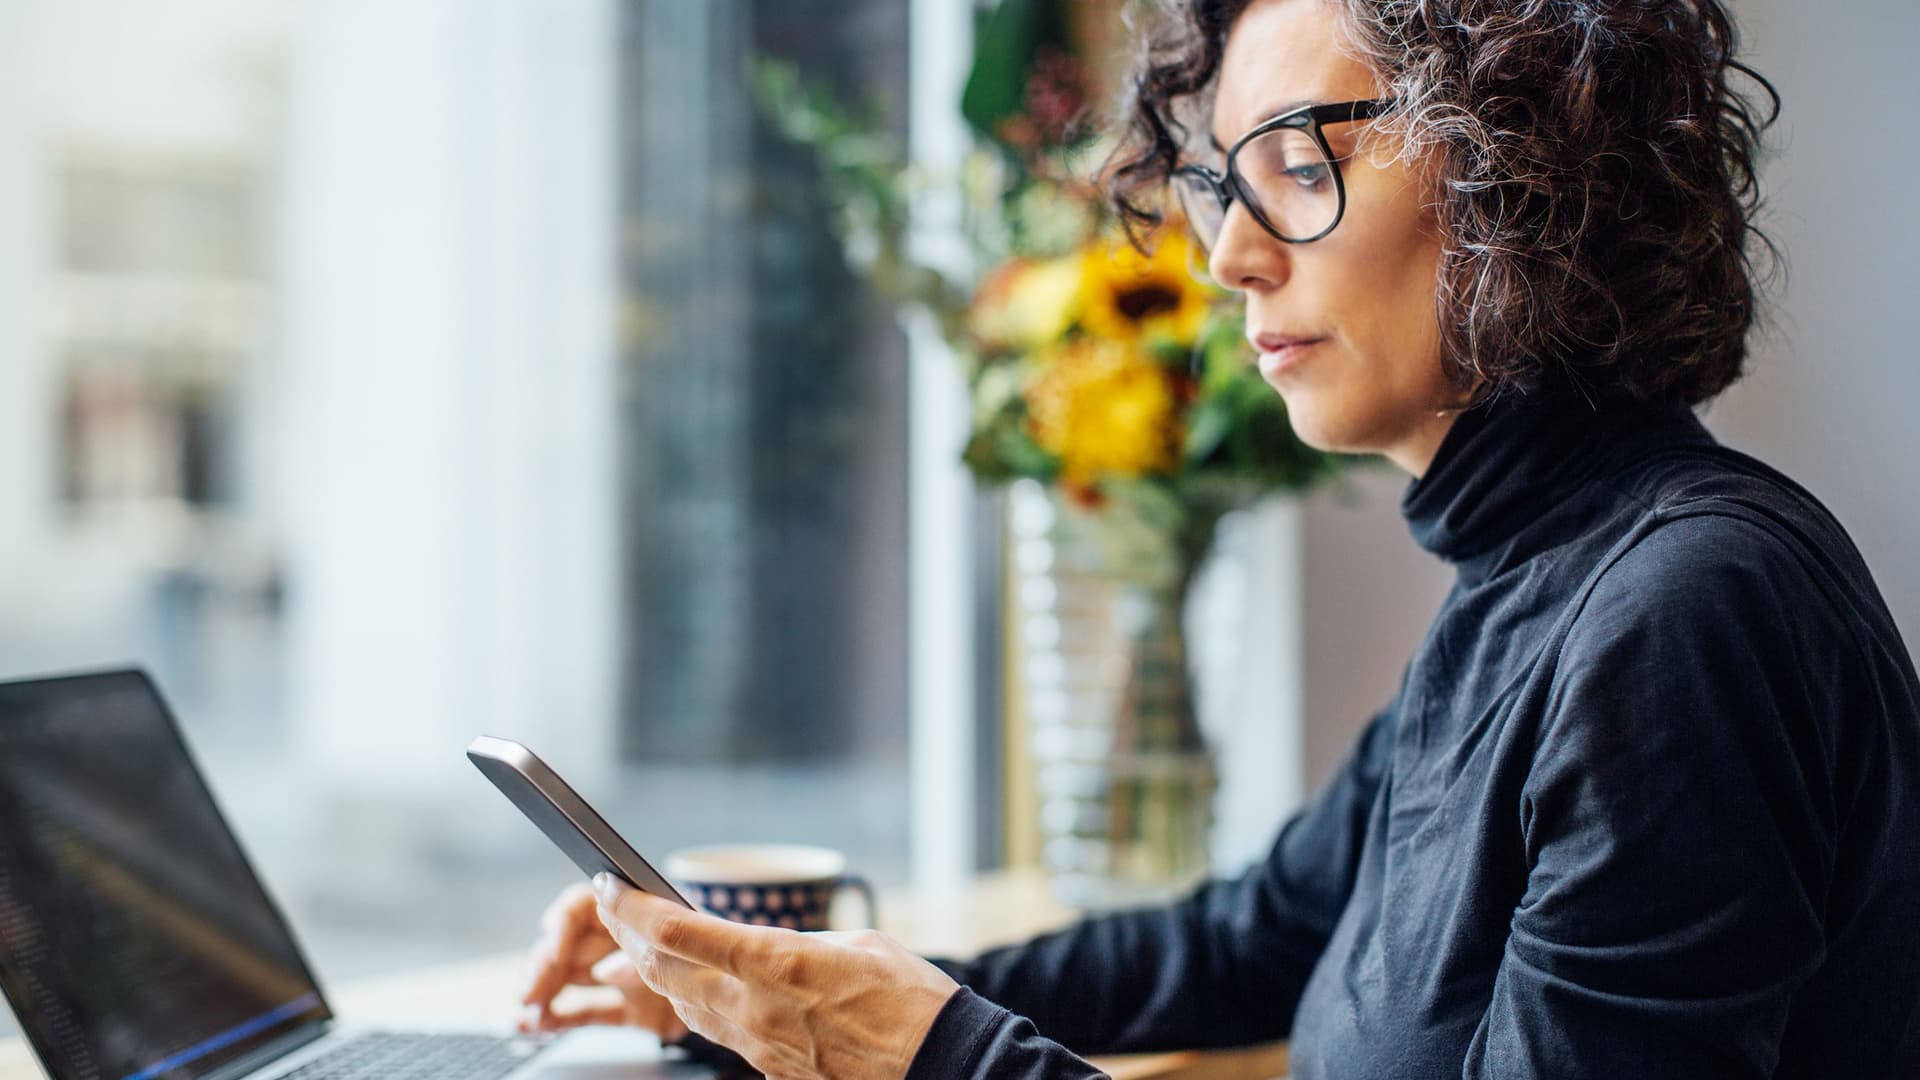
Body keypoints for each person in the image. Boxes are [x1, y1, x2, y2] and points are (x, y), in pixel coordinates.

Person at [518, 0, 1920, 1075]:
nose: (1228, 257)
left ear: (1531, 169)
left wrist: (941, 1056)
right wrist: (780, 998)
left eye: (1297, 161)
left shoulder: (1686, 613)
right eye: (1218, 186)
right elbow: (1239, 945)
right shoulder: (1533, 589)